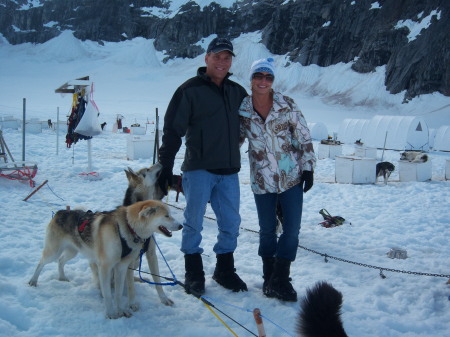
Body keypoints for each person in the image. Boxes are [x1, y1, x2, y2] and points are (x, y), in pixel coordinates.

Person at [157, 37, 248, 295]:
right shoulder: (189, 90)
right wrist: (165, 166)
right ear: (206, 58)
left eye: (227, 57)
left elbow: (253, 125)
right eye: (217, 56)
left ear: (231, 61)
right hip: (199, 170)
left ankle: (224, 270)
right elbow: (173, 131)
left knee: (231, 222)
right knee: (194, 221)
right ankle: (194, 272)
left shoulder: (237, 92)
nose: (222, 61)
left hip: (229, 171)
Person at [239, 57, 316, 302]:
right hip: (261, 178)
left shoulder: (287, 104)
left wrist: (309, 167)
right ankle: (268, 277)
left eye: (268, 77)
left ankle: (282, 278)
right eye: (258, 76)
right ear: (251, 79)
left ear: (273, 81)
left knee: (292, 229)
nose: (263, 81)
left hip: (290, 176)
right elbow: (235, 139)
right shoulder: (242, 108)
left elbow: (303, 136)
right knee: (267, 230)